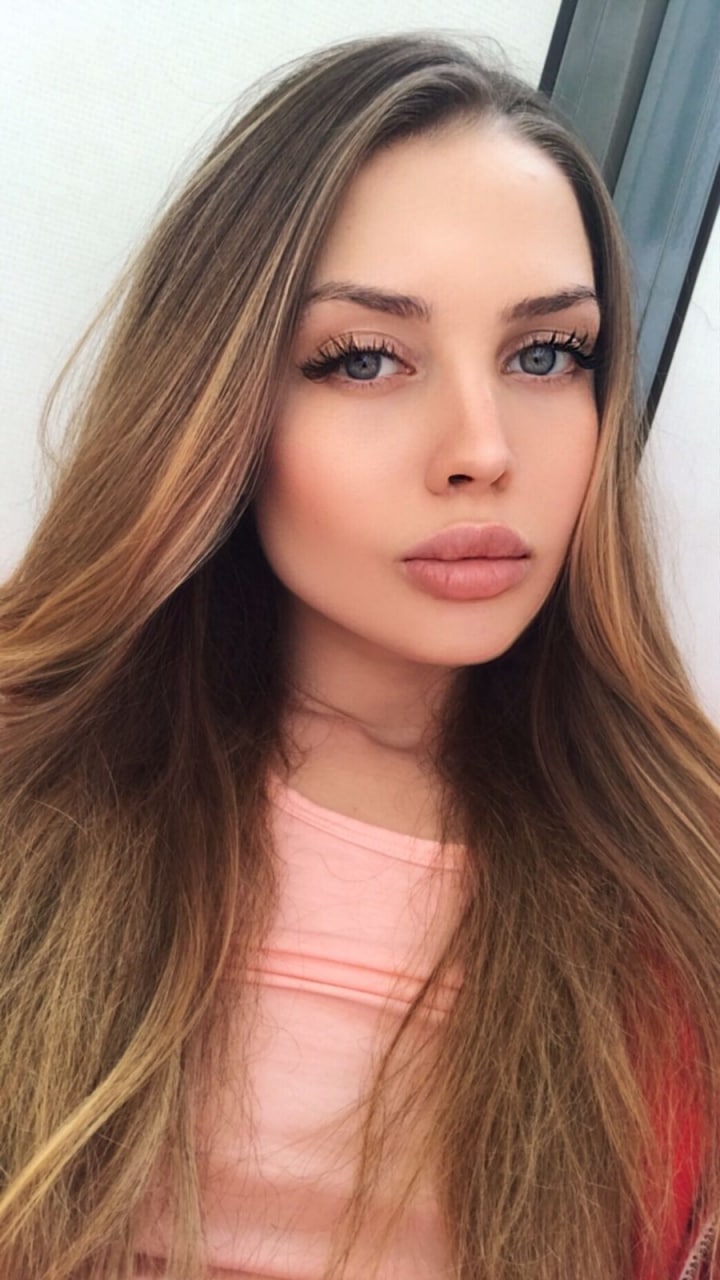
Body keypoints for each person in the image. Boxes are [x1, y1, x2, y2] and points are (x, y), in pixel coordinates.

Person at [0, 31, 718, 1280]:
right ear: (219, 400)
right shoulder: (29, 782)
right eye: (366, 358)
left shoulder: (683, 867)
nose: (482, 448)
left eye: (547, 353)